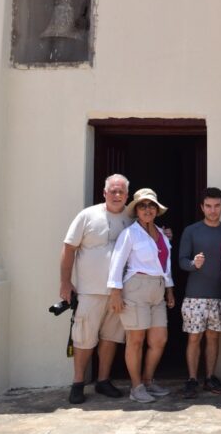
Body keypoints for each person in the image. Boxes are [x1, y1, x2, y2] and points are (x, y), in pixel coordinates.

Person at [59, 173, 132, 404]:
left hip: (119, 292)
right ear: (104, 193)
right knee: (83, 339)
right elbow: (69, 248)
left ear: (127, 195)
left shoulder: (132, 218)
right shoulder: (87, 216)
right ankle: (78, 383)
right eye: (113, 191)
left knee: (111, 337)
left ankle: (103, 380)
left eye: (121, 191)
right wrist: (65, 282)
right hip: (89, 291)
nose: (117, 195)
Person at [107, 188, 176, 403]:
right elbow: (117, 262)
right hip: (136, 287)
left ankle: (147, 380)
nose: (148, 209)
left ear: (157, 210)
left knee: (159, 339)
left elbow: (165, 264)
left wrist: (169, 289)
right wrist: (115, 293)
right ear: (136, 210)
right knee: (136, 340)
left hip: (157, 289)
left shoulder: (162, 234)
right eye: (143, 206)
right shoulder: (130, 234)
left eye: (151, 206)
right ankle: (136, 386)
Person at [177, 187, 221, 399]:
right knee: (194, 338)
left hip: (219, 296)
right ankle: (192, 379)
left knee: (213, 338)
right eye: (208, 206)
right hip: (194, 296)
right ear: (202, 207)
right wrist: (194, 264)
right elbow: (181, 261)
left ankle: (209, 377)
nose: (212, 210)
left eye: (217, 206)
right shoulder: (191, 231)